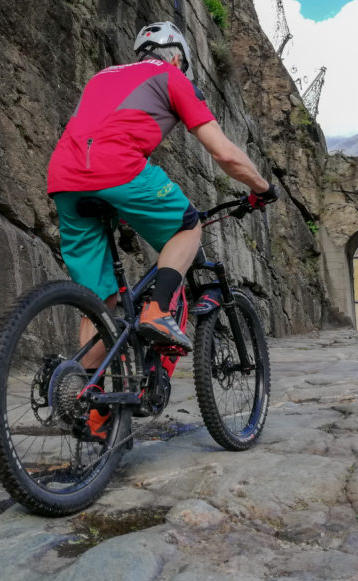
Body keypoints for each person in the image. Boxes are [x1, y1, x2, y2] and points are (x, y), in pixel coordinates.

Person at [47, 21, 277, 365]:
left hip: (64, 176)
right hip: (117, 167)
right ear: (177, 58)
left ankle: (85, 398)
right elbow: (225, 153)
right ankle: (157, 311)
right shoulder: (172, 77)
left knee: (99, 300)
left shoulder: (102, 76)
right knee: (188, 227)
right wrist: (262, 187)